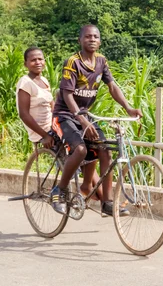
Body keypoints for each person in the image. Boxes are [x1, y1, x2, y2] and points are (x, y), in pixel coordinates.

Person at [51, 24, 142, 216]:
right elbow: (66, 95)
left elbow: (112, 86)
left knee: (104, 151)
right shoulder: (73, 62)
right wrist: (81, 119)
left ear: (100, 41)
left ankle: (107, 202)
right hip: (66, 115)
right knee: (81, 149)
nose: (92, 39)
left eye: (95, 37)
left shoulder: (101, 61)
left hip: (85, 115)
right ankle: (59, 190)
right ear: (80, 40)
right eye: (87, 37)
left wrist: (128, 107)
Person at [16, 46, 103, 202]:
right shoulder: (25, 83)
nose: (38, 62)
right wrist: (44, 135)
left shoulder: (44, 81)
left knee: (90, 148)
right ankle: (64, 194)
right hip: (43, 131)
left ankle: (103, 198)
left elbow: (53, 105)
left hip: (55, 125)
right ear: (26, 64)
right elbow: (24, 114)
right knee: (80, 151)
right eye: (33, 60)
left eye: (40, 59)